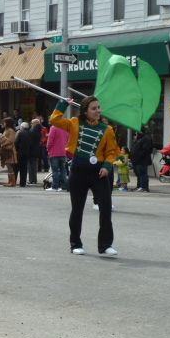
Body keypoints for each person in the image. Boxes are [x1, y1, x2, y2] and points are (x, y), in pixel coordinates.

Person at [50, 96, 119, 256]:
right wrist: (63, 104)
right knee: (77, 209)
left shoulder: (106, 129)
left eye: (98, 108)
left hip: (98, 173)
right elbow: (54, 120)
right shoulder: (74, 122)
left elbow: (111, 152)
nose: (97, 111)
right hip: (78, 170)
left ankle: (105, 245)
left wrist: (107, 166)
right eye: (93, 108)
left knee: (106, 208)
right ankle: (75, 243)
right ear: (85, 110)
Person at [46, 123, 69, 192]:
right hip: (63, 152)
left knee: (55, 171)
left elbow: (50, 140)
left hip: (54, 152)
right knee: (63, 171)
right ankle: (64, 186)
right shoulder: (65, 128)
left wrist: (48, 148)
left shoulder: (53, 128)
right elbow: (68, 140)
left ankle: (54, 186)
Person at [131, 127, 153, 192]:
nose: (136, 133)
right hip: (136, 160)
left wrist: (138, 156)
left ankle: (144, 187)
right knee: (138, 174)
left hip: (142, 160)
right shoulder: (139, 138)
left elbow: (146, 150)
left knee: (142, 173)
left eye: (137, 131)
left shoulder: (146, 138)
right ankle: (139, 186)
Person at [0, 117, 17, 187]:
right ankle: (10, 181)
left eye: (4, 122)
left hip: (10, 151)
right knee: (8, 166)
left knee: (9, 166)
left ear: (8, 123)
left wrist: (1, 137)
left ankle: (12, 182)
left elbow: (11, 140)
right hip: (6, 150)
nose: (3, 123)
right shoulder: (6, 130)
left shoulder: (11, 130)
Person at [15, 121, 31, 187]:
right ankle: (22, 183)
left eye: (21, 127)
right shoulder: (30, 133)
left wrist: (16, 149)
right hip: (27, 153)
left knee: (16, 168)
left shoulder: (20, 133)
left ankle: (14, 181)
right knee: (24, 169)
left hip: (19, 153)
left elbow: (16, 142)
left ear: (23, 127)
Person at [28, 119, 42, 184]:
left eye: (32, 123)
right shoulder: (39, 130)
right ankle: (34, 179)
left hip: (31, 150)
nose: (31, 124)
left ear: (35, 123)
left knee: (31, 165)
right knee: (34, 165)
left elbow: (30, 141)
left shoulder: (32, 131)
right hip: (36, 149)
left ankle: (31, 180)